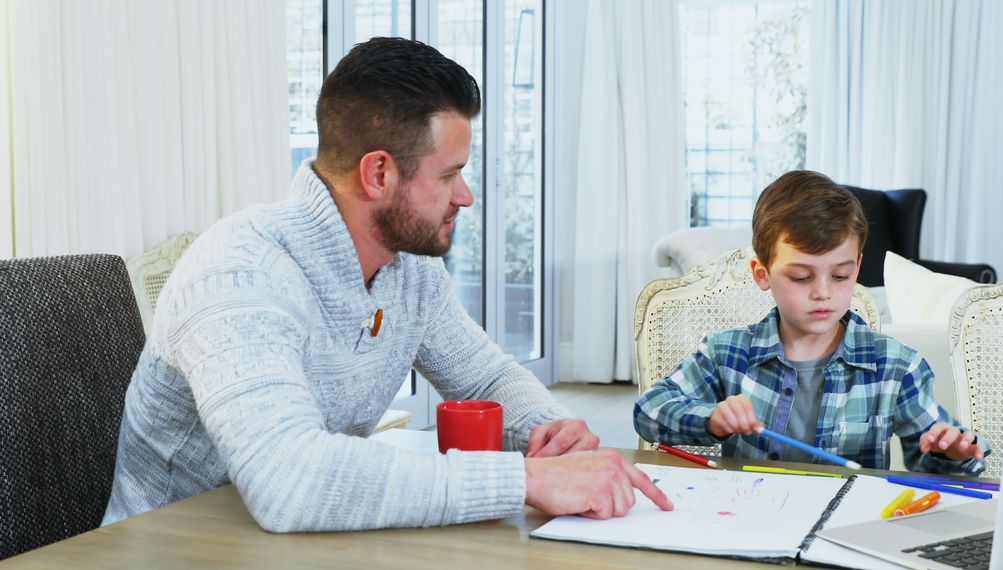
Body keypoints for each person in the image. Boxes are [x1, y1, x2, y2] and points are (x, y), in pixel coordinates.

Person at [103, 37, 671, 532]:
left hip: (297, 542)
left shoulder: (409, 269)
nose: (465, 196)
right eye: (449, 174)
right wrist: (524, 478)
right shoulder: (239, 272)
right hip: (174, 547)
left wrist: (548, 432)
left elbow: (484, 374)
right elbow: (288, 480)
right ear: (378, 174)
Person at [633, 170, 989, 474]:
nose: (823, 293)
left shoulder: (896, 365)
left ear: (857, 269)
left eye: (840, 276)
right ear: (762, 273)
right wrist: (710, 420)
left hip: (847, 531)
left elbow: (935, 458)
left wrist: (951, 452)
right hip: (752, 520)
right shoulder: (727, 353)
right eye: (802, 278)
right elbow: (648, 414)